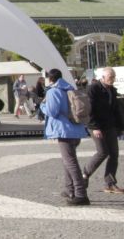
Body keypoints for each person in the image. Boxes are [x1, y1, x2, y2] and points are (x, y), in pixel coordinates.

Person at [41, 68, 90, 205]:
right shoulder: (70, 88)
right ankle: (69, 189)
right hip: (76, 129)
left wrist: (42, 106)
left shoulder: (53, 91)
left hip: (64, 130)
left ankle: (80, 194)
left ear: (50, 79)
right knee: (68, 160)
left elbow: (52, 112)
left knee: (70, 162)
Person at [83, 67, 124, 194]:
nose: (113, 79)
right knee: (102, 152)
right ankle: (85, 173)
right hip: (96, 126)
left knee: (114, 154)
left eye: (114, 77)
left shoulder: (112, 90)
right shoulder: (93, 89)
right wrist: (94, 127)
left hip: (110, 126)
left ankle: (110, 184)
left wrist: (120, 127)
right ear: (103, 77)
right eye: (110, 77)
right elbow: (89, 109)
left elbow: (116, 110)